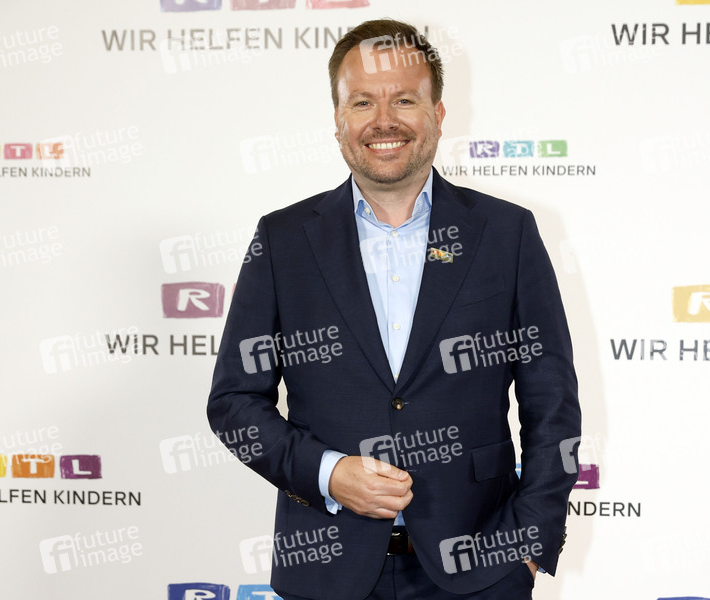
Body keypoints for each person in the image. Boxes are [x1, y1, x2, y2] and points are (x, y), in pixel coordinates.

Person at [208, 18, 581, 600]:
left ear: (438, 113)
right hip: (327, 569)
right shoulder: (283, 240)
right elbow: (233, 403)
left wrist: (526, 549)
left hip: (481, 571)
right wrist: (329, 472)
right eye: (363, 102)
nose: (384, 120)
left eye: (404, 99)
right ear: (338, 119)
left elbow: (551, 404)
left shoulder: (506, 233)